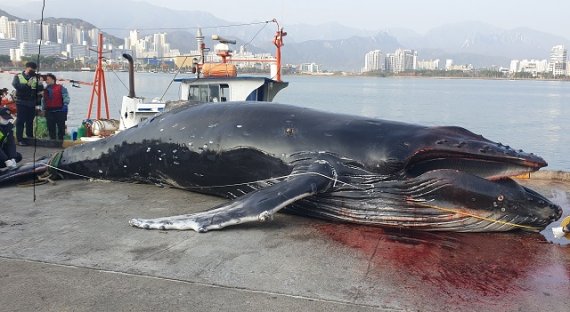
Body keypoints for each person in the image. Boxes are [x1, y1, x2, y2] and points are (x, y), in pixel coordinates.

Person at [12, 61, 43, 146]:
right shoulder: (18, 76)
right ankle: (20, 139)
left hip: (31, 102)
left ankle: (30, 137)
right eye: (31, 70)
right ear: (26, 68)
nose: (32, 71)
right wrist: (28, 85)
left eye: (34, 70)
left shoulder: (36, 77)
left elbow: (40, 88)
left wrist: (39, 82)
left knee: (30, 121)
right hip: (21, 101)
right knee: (20, 121)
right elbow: (16, 85)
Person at [42, 73, 70, 141]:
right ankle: (52, 140)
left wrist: (65, 105)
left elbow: (66, 96)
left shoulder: (61, 88)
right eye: (45, 80)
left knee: (61, 127)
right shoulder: (45, 89)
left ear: (53, 80)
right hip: (49, 111)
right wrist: (43, 109)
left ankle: (61, 140)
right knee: (51, 127)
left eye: (48, 79)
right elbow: (43, 100)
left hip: (60, 110)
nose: (46, 81)